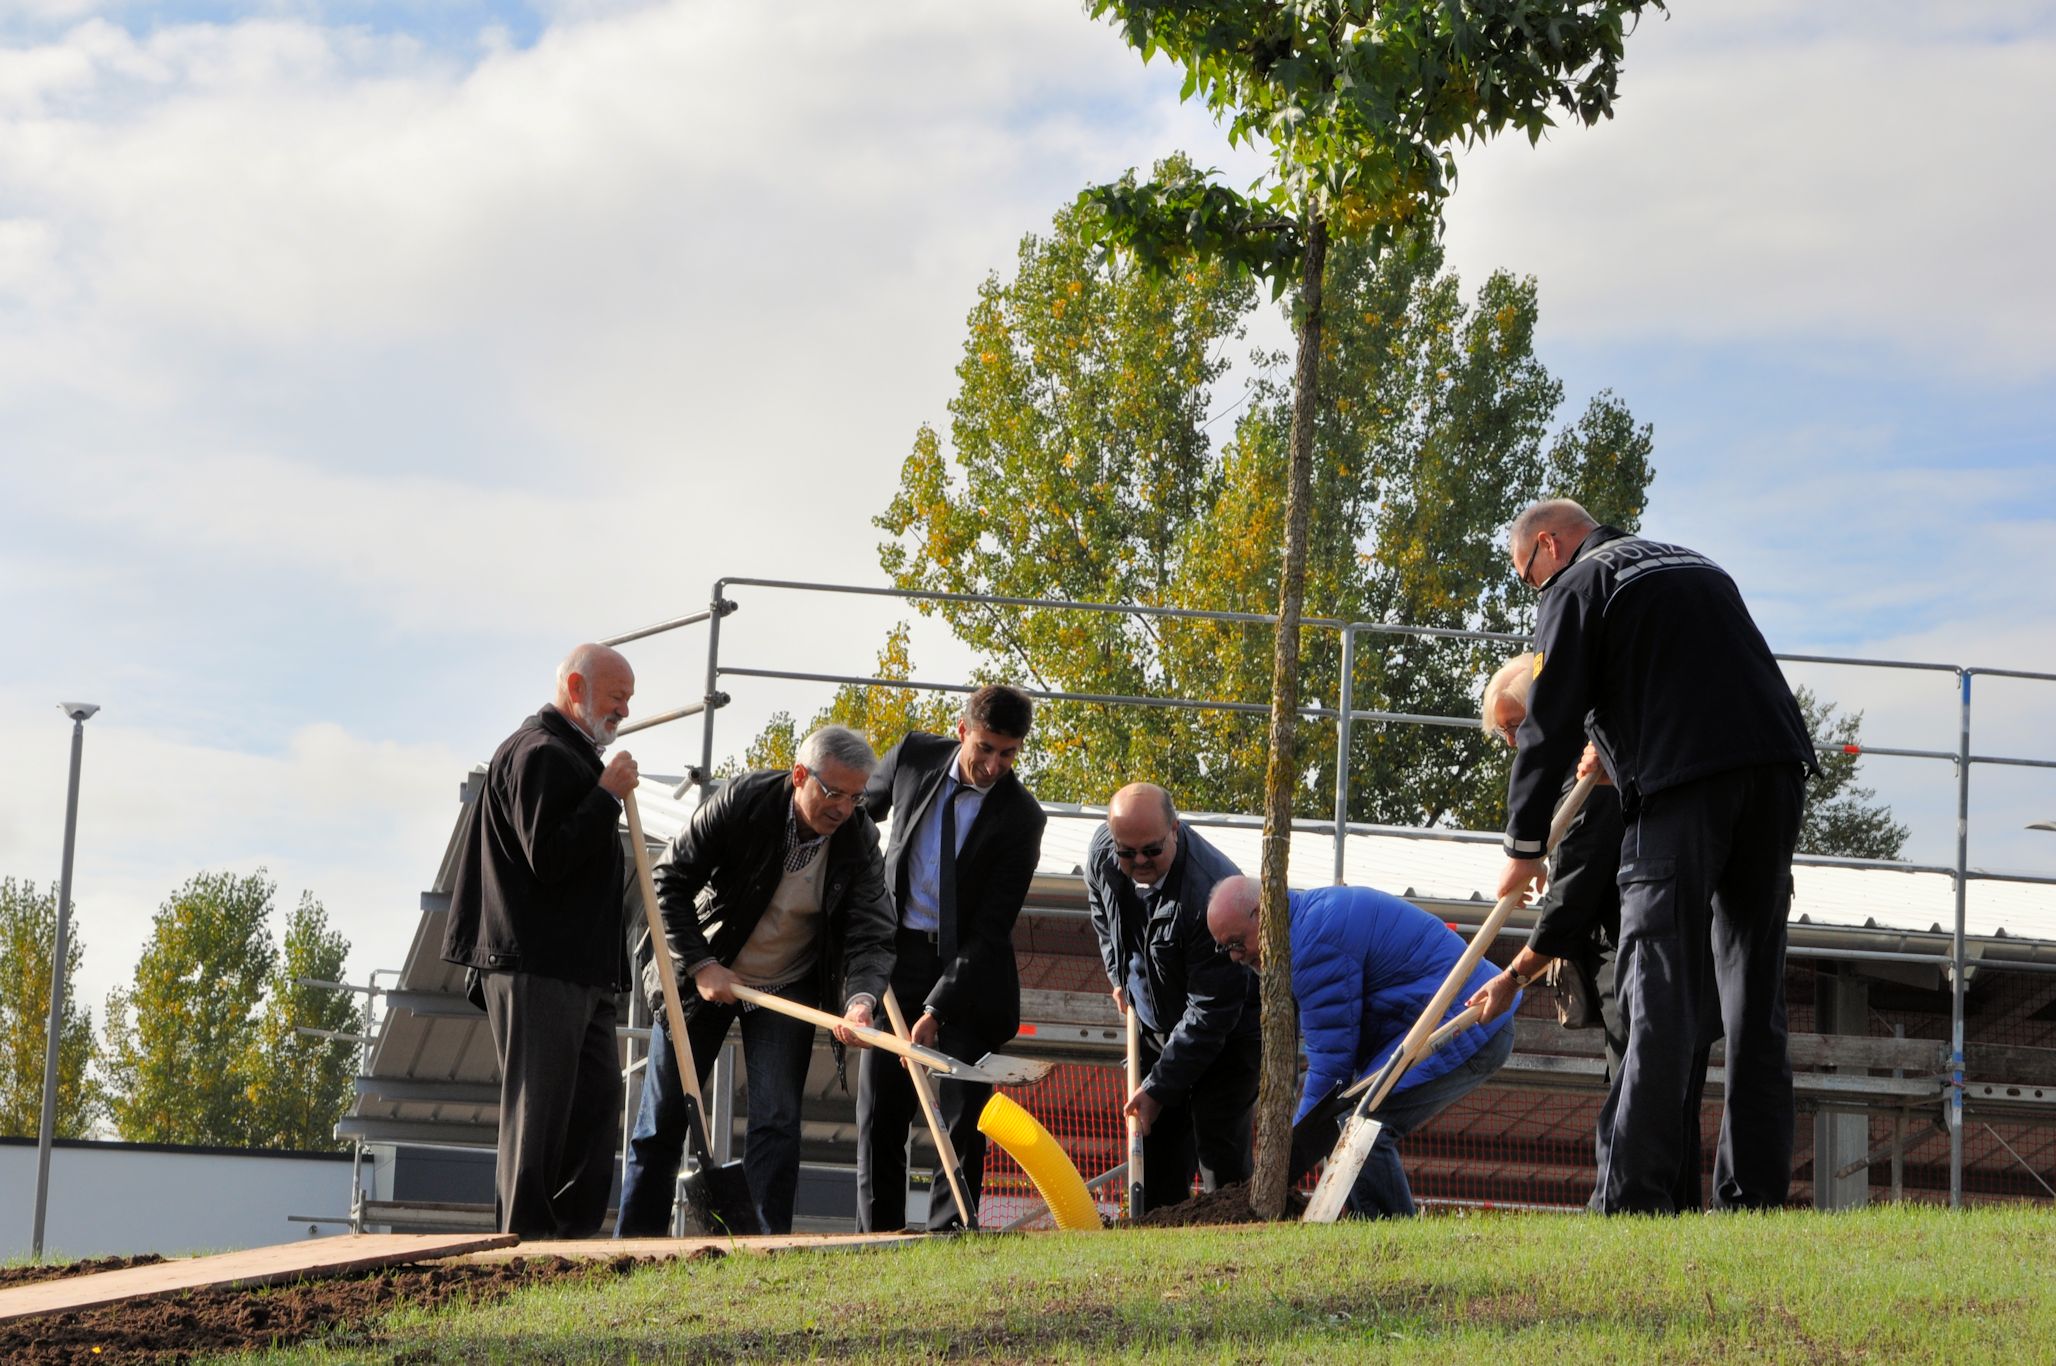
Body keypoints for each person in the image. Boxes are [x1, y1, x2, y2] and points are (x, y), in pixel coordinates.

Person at [1487, 499, 1815, 1214]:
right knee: (1754, 995)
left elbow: (1549, 715)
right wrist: (1614, 747)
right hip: (1777, 768)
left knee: (1658, 991)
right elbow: (1688, 677)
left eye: (1526, 576)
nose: (1534, 593)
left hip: (1685, 788)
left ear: (1548, 544)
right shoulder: (1696, 564)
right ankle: (1751, 1198)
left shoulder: (1577, 583)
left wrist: (1523, 842)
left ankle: (1629, 1201)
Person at [617, 724, 898, 1237]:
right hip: (703, 967)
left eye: (856, 797)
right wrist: (701, 965)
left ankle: (765, 1247)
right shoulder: (744, 801)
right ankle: (633, 1246)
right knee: (661, 1121)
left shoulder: (859, 839)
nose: (843, 808)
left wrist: (860, 1001)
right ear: (799, 776)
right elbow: (667, 885)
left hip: (786, 985)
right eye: (833, 793)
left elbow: (872, 933)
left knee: (777, 1122)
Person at [1470, 652, 1710, 1212]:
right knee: (1664, 1092)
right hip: (1660, 950)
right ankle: (1665, 1215)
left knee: (1641, 1084)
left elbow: (1572, 894)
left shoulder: (1596, 775)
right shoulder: (1597, 765)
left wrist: (1513, 975)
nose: (1512, 745)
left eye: (1514, 728)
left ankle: (1627, 1208)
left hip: (1636, 955)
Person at [441, 643, 639, 1238]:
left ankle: (571, 1243)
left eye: (628, 700)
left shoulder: (570, 756)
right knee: (539, 1113)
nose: (624, 712)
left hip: (581, 970)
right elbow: (547, 858)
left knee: (594, 1109)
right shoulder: (539, 754)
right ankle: (523, 1244)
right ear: (575, 689)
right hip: (539, 966)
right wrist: (604, 795)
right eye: (616, 697)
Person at [1207, 875, 1514, 1218]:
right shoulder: (1304, 922)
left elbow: (1330, 1069)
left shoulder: (1312, 946)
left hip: (1469, 1019)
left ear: (1261, 913)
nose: (1235, 957)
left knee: (1363, 1129)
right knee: (1350, 1121)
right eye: (1224, 948)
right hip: (1434, 1016)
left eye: (1236, 942)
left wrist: (1283, 1164)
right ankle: (1361, 1230)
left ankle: (1394, 1246)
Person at [855, 685, 1046, 1232]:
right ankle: (877, 1237)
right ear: (963, 731)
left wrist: (936, 1010)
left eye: (1008, 754)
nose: (993, 765)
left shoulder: (1022, 818)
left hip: (968, 975)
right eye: (985, 748)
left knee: (961, 1115)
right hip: (895, 957)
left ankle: (950, 1233)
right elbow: (856, 816)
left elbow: (991, 929)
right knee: (880, 1112)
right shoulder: (914, 754)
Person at [1085, 783, 1260, 1211]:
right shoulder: (1104, 853)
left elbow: (1210, 1011)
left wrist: (1161, 1085)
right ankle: (1157, 1249)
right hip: (1153, 1026)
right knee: (1156, 1148)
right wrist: (1117, 974)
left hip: (1227, 1034)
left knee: (1219, 1154)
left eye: (1151, 850)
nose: (1139, 861)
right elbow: (1100, 911)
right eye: (1128, 852)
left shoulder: (1209, 894)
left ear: (1175, 830)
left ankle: (1233, 1247)